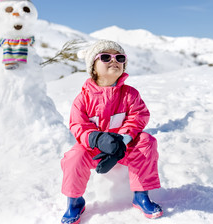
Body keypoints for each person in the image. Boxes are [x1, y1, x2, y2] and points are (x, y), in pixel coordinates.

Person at [60, 40, 163, 223]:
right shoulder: (83, 98)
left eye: (119, 57)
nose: (114, 60)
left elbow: (139, 116)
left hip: (125, 146)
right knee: (73, 157)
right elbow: (78, 125)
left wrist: (122, 139)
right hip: (93, 148)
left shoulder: (130, 94)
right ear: (93, 67)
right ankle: (74, 201)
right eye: (106, 57)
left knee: (146, 141)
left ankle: (141, 195)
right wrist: (97, 138)